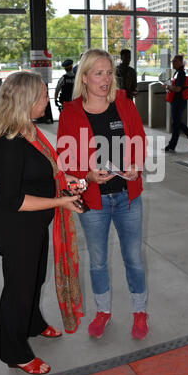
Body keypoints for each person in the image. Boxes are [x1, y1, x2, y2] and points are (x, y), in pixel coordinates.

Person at [0, 71, 84, 375]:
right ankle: (14, 352)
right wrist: (61, 202)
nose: (48, 100)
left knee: (35, 278)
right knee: (19, 289)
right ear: (27, 101)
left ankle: (33, 323)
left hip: (34, 221)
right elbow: (13, 201)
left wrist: (66, 180)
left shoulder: (29, 130)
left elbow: (44, 172)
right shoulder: (8, 144)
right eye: (43, 95)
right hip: (15, 225)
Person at [57, 49, 148, 340]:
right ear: (84, 77)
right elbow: (64, 157)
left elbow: (139, 140)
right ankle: (103, 311)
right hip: (94, 201)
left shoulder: (123, 102)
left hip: (127, 197)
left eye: (109, 72)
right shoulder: (71, 112)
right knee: (97, 261)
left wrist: (135, 164)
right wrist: (87, 175)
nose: (106, 79)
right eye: (98, 73)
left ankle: (139, 311)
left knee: (133, 257)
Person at [164, 55, 188, 152]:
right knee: (177, 122)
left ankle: (172, 145)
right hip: (177, 100)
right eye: (172, 61)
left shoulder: (181, 73)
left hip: (179, 101)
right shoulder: (178, 72)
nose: (173, 63)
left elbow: (178, 88)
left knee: (176, 123)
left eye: (175, 61)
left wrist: (168, 87)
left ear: (181, 62)